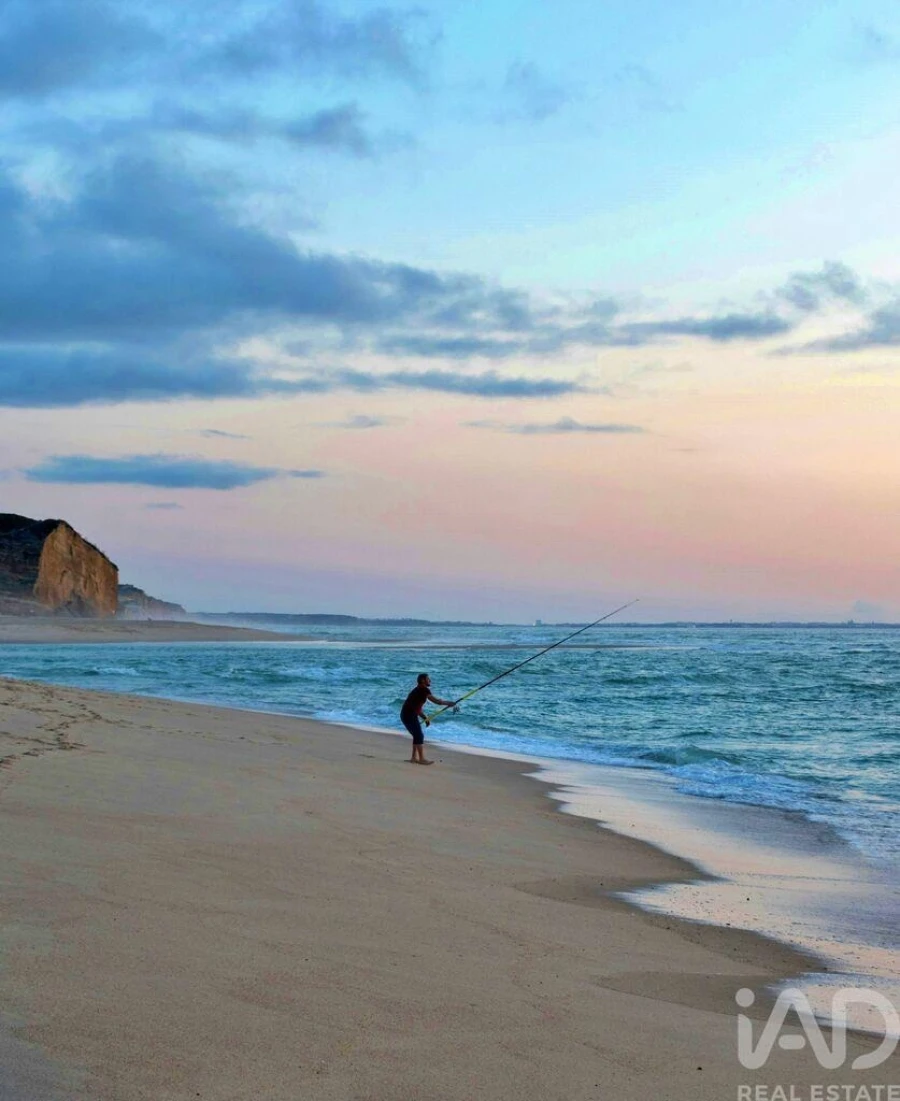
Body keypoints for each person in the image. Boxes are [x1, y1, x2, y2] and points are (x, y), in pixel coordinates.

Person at [400, 673, 454, 765]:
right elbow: (437, 702)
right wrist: (449, 703)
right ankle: (421, 759)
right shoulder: (424, 690)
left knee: (417, 735)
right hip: (409, 715)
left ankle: (414, 758)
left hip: (407, 714)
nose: (430, 681)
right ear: (423, 681)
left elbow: (416, 707)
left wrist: (425, 718)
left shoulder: (417, 690)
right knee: (419, 736)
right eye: (428, 679)